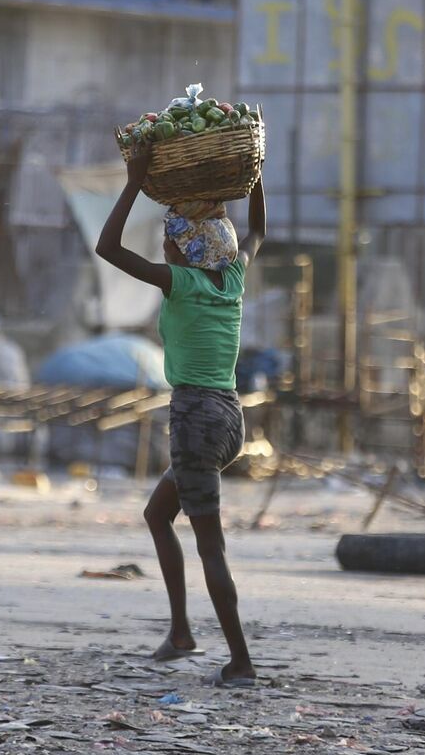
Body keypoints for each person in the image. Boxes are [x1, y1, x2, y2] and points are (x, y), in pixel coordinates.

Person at [95, 149, 264, 689]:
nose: (164, 244)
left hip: (195, 418)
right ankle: (181, 632)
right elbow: (257, 229)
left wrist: (133, 183)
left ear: (188, 252)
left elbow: (107, 247)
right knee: (157, 515)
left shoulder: (181, 282)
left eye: (170, 239)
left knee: (210, 545)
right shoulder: (231, 278)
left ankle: (240, 661)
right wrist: (252, 175)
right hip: (229, 418)